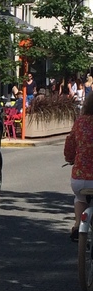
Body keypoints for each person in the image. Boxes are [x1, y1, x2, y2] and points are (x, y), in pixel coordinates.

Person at [64, 93, 93, 242]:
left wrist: (70, 158)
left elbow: (70, 143)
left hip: (80, 179)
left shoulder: (80, 122)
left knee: (79, 198)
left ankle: (77, 225)